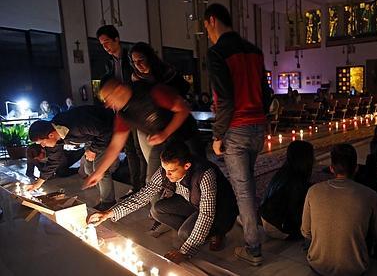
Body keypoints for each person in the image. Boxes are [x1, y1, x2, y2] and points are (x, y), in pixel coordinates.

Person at [87, 141, 238, 263]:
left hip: (220, 211)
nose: (167, 175)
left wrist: (185, 252)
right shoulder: (166, 170)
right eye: (165, 169)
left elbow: (206, 214)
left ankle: (214, 233)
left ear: (187, 166)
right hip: (192, 202)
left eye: (171, 171)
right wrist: (108, 213)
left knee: (185, 233)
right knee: (157, 209)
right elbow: (143, 195)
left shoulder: (205, 174)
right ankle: (195, 232)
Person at [204, 3, 271, 266]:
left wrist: (218, 135)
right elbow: (265, 93)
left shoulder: (217, 52)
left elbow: (228, 99)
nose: (207, 33)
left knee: (243, 191)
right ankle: (252, 227)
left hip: (237, 130)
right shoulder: (254, 51)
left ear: (212, 20)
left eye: (206, 27)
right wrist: (259, 115)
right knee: (248, 186)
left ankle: (253, 249)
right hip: (257, 128)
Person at [83, 78, 203, 197]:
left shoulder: (152, 92)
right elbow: (115, 146)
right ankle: (157, 213)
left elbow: (183, 110)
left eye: (108, 99)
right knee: (152, 182)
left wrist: (165, 133)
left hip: (186, 135)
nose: (107, 105)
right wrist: (99, 172)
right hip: (162, 140)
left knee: (197, 174)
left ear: (119, 90)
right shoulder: (123, 114)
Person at [302, 143, 377, 275]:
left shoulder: (313, 191)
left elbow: (306, 232)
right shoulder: (371, 195)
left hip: (318, 265)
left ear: (331, 168)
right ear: (356, 168)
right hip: (355, 269)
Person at [27, 106, 118, 210]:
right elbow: (53, 161)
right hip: (91, 138)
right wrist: (37, 184)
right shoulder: (55, 139)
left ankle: (108, 202)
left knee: (99, 169)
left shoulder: (75, 124)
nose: (42, 146)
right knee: (88, 169)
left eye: (42, 142)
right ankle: (105, 195)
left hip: (108, 130)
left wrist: (93, 150)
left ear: (51, 135)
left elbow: (105, 130)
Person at [96, 25, 146, 196]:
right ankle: (136, 185)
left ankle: (145, 185)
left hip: (137, 109)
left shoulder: (131, 59)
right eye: (102, 44)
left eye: (107, 42)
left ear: (117, 39)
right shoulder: (110, 64)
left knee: (141, 150)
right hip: (122, 111)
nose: (106, 47)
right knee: (130, 149)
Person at [260, 141, 313, 240]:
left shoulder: (285, 171)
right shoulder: (296, 182)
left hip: (266, 218)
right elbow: (295, 214)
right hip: (278, 227)